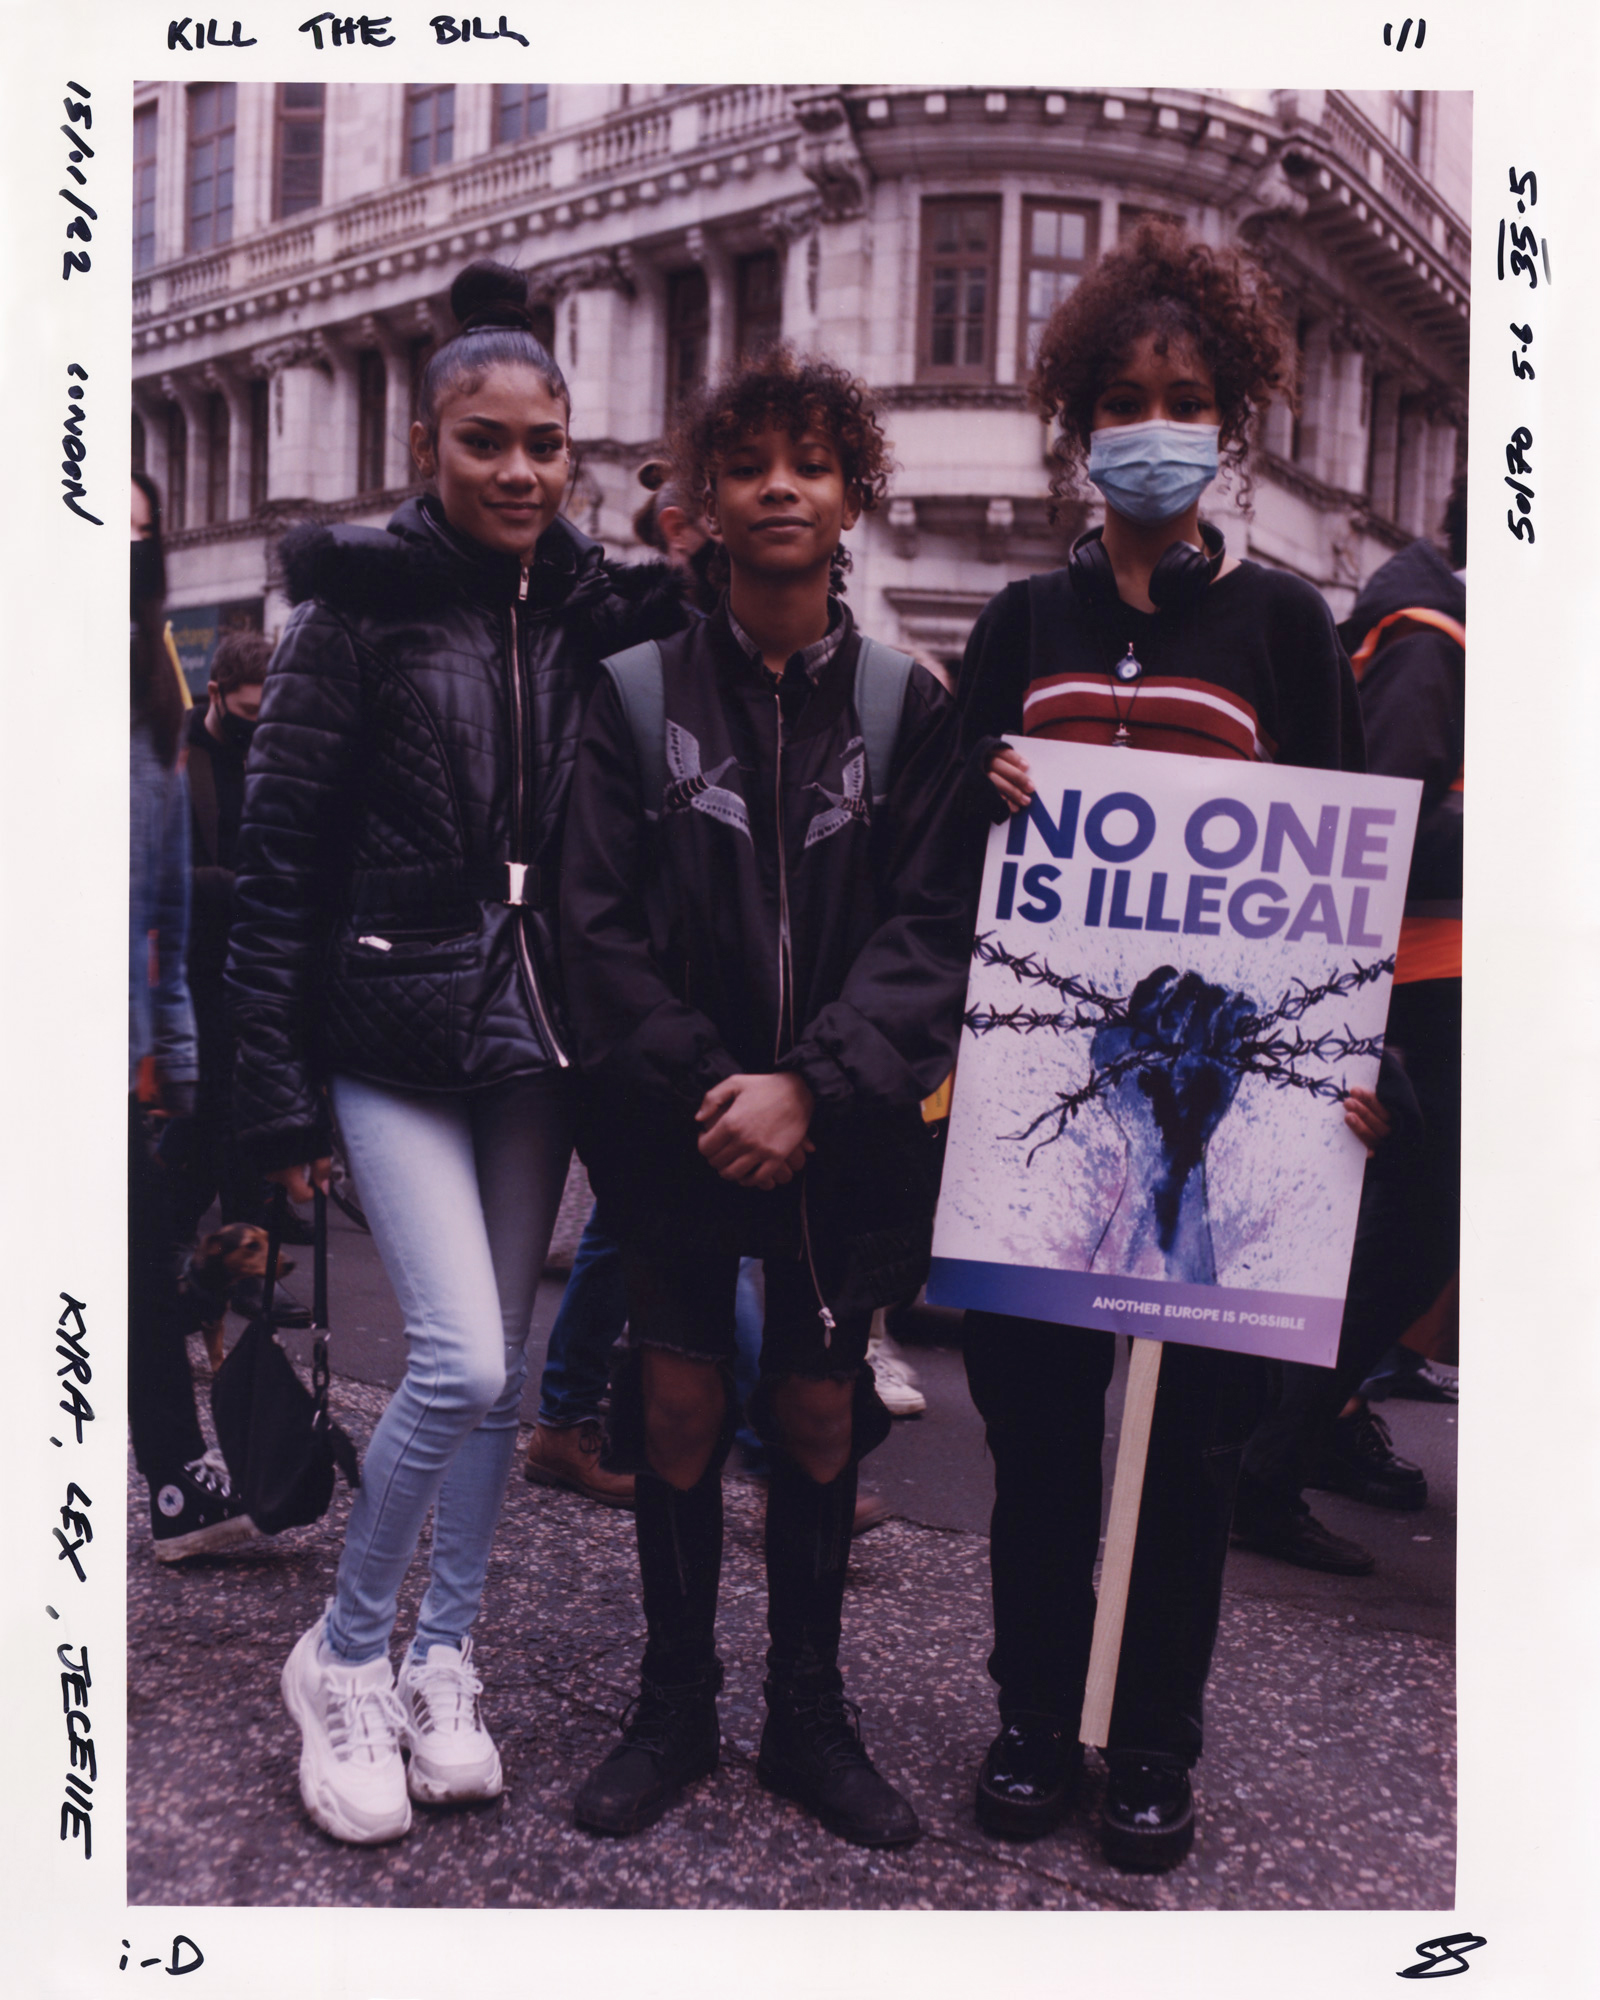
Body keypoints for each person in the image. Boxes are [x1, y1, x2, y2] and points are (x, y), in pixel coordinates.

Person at [226, 261, 687, 1846]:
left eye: (545, 444)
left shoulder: (589, 604)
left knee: (491, 1400)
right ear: (430, 441)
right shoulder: (353, 605)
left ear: (575, 452)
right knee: (469, 1359)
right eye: (485, 440)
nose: (518, 471)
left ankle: (444, 1654)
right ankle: (342, 1654)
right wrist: (270, 1103)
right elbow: (277, 859)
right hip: (389, 1019)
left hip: (533, 1026)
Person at [951, 221, 1366, 1870]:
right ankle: (1037, 1717)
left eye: (1183, 396)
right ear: (1076, 416)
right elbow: (943, 863)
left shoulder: (1282, 631)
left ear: (1230, 417)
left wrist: (1352, 1078)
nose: (1153, 422)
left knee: (1185, 1451)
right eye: (1123, 395)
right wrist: (977, 803)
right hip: (1044, 1099)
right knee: (1040, 1437)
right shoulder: (1017, 625)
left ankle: (1155, 1743)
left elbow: (1344, 875)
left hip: (1214, 1105)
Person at [560, 348, 973, 1848]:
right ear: (705, 505)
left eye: (810, 461)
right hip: (678, 1128)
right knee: (671, 1400)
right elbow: (589, 929)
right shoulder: (629, 693)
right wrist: (716, 1086)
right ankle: (674, 1708)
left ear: (854, 491)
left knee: (813, 1411)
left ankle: (809, 1717)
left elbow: (936, 927)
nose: (780, 485)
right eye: (748, 466)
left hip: (840, 1133)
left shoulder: (904, 702)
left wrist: (814, 1084)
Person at [128, 474, 255, 1560]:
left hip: (114, 1044)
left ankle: (175, 1482)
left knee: (129, 1258)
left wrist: (171, 1055)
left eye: (140, 539)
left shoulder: (147, 711)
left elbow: (162, 894)